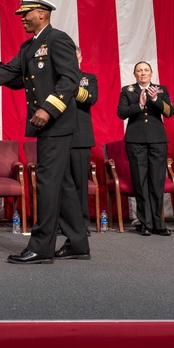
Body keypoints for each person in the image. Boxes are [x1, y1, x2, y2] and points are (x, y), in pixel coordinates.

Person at [0, 0, 90, 264]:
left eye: (26, 13)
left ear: (42, 13)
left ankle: (41, 247)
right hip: (46, 127)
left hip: (57, 123)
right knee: (62, 183)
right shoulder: (29, 47)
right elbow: (9, 73)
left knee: (48, 183)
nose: (22, 18)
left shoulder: (58, 39)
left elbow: (70, 80)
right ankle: (78, 242)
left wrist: (47, 108)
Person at [117, 61, 174, 237]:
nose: (143, 73)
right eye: (139, 71)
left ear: (151, 73)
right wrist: (139, 106)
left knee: (156, 181)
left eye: (146, 70)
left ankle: (158, 222)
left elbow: (169, 112)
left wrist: (155, 99)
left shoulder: (160, 89)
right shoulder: (128, 91)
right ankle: (145, 223)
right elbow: (121, 113)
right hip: (136, 140)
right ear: (135, 74)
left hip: (157, 140)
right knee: (140, 182)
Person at [66, 48, 97, 232]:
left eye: (74, 55)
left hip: (80, 137)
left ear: (80, 56)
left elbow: (91, 99)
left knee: (79, 183)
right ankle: (64, 223)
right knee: (62, 184)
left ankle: (81, 224)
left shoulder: (88, 78)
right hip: (59, 136)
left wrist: (70, 86)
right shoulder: (56, 78)